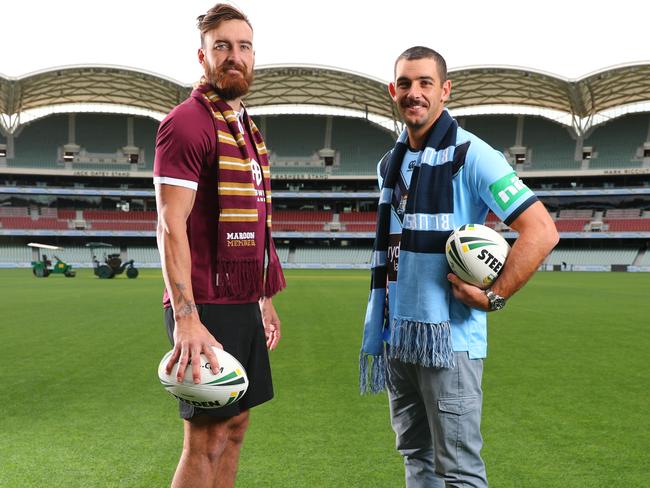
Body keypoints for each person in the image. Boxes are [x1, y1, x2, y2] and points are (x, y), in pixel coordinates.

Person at [360, 46, 559, 488]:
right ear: (393, 91)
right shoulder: (389, 165)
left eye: (425, 83)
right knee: (417, 459)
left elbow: (541, 230)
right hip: (399, 336)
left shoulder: (473, 155)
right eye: (406, 84)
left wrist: (495, 294)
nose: (415, 93)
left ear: (445, 90)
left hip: (449, 338)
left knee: (460, 472)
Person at [153, 4, 285, 487]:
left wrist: (262, 298)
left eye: (244, 46)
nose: (235, 56)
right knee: (205, 438)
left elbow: (257, 220)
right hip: (203, 304)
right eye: (222, 46)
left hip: (241, 300)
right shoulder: (187, 123)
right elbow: (170, 225)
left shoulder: (247, 131)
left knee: (235, 427)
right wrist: (187, 318)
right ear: (202, 56)